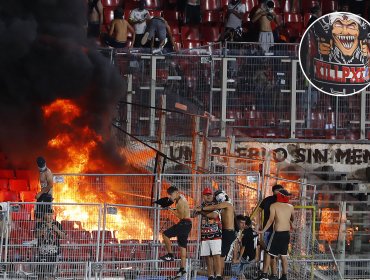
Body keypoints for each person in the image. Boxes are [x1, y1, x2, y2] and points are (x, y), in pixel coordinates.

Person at [257, 189, 295, 280]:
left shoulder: (273, 205)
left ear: (279, 196)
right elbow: (292, 218)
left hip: (277, 234)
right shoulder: (291, 206)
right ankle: (284, 276)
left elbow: (270, 221)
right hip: (286, 234)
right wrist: (290, 223)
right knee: (283, 255)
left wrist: (262, 231)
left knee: (269, 253)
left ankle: (264, 275)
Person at [196, 190, 235, 277]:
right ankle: (216, 275)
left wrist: (201, 209)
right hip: (224, 232)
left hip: (227, 232)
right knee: (218, 256)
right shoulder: (224, 205)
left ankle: (219, 276)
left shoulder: (226, 203)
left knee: (220, 257)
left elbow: (214, 209)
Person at [160, 186, 192, 278]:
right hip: (188, 224)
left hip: (183, 223)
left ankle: (170, 255)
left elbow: (181, 216)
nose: (170, 197)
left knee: (165, 234)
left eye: (171, 195)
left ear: (177, 192)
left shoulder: (180, 202)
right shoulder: (181, 198)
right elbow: (182, 211)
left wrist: (170, 209)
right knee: (182, 246)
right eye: (169, 195)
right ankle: (182, 269)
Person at [253, 184, 283, 280]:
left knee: (270, 253)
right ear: (274, 191)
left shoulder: (282, 201)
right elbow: (258, 211)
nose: (280, 192)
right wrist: (257, 223)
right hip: (269, 230)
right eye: (278, 190)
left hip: (277, 231)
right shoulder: (267, 200)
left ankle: (268, 274)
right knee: (270, 252)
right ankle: (271, 274)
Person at [196, 187, 223, 280]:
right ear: (203, 196)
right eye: (206, 195)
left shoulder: (217, 204)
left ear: (212, 195)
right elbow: (192, 214)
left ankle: (218, 276)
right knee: (207, 256)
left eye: (209, 194)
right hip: (204, 234)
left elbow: (214, 215)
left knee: (216, 255)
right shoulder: (202, 205)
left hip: (216, 234)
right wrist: (195, 210)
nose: (208, 196)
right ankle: (210, 276)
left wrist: (201, 211)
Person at [36, 209, 66, 280]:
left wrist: (57, 230)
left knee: (52, 275)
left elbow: (64, 236)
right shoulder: (39, 224)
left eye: (51, 214)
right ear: (44, 215)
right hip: (42, 253)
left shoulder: (57, 224)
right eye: (48, 214)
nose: (49, 216)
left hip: (54, 254)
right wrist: (42, 230)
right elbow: (36, 235)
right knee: (40, 275)